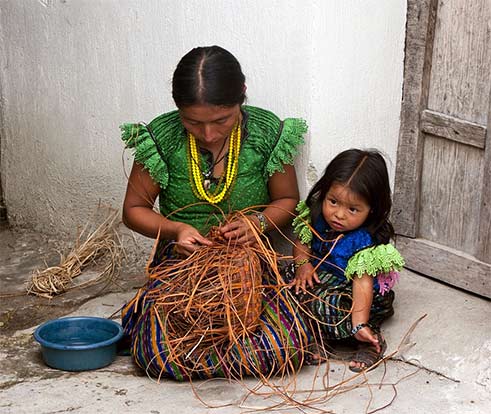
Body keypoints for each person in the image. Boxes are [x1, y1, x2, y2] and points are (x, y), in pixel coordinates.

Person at [119, 46, 309, 380]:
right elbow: (133, 210)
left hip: (249, 266)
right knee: (158, 356)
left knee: (284, 348)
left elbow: (288, 198)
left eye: (221, 120)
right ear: (178, 109)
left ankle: (215, 358)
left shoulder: (265, 133)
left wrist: (258, 222)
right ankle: (228, 359)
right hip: (182, 269)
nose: (208, 134)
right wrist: (176, 231)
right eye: (193, 122)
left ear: (242, 97)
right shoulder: (162, 138)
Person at [290, 149, 404, 372]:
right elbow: (302, 242)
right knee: (289, 285)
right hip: (323, 281)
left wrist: (358, 323)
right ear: (324, 192)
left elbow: (362, 284)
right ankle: (319, 334)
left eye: (352, 209)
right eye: (333, 202)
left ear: (372, 210)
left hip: (356, 296)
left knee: (327, 302)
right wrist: (302, 265)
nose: (339, 215)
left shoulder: (364, 242)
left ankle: (366, 340)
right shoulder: (317, 216)